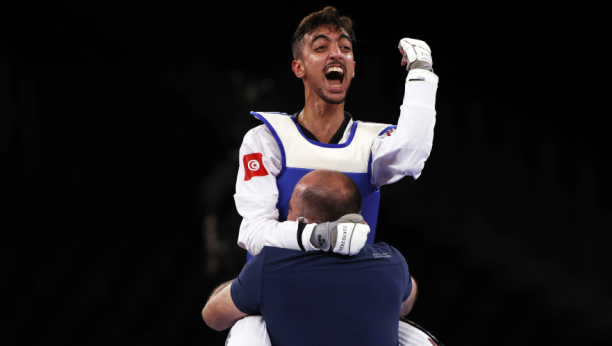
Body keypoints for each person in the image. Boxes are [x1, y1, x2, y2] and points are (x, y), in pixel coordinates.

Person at [234, 6, 439, 260]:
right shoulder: (267, 140)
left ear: (352, 68)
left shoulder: (370, 144)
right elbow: (253, 234)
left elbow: (411, 154)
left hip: (347, 287)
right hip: (280, 287)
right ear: (299, 68)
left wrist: (421, 74)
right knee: (218, 301)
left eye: (345, 48)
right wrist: (323, 236)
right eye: (321, 48)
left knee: (408, 289)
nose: (336, 54)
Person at [204, 170, 417, 346]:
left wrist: (248, 285)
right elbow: (405, 305)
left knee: (248, 325)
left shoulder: (269, 267)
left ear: (300, 222)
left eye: (290, 210)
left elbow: (213, 317)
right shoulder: (390, 260)